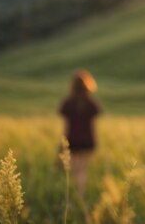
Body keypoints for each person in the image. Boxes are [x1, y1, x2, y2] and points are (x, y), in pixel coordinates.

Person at [59, 69, 101, 197]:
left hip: (72, 140)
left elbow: (66, 126)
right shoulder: (91, 104)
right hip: (87, 141)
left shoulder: (68, 103)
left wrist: (62, 142)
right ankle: (80, 195)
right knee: (82, 170)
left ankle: (73, 197)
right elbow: (93, 126)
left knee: (74, 170)